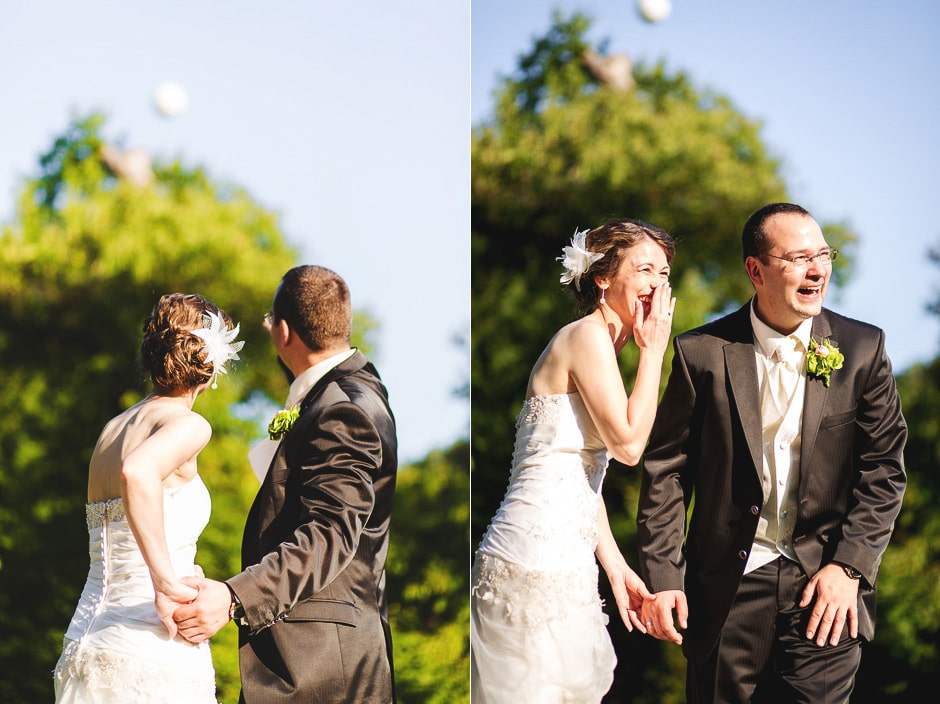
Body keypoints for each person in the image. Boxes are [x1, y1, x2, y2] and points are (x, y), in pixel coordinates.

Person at [637, 202, 907, 703]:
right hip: (725, 590)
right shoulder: (701, 353)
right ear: (755, 271)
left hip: (825, 586)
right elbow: (667, 473)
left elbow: (884, 471)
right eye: (800, 257)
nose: (817, 269)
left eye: (823, 255)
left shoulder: (863, 348)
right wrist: (664, 578)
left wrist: (849, 567)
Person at [470, 219, 677, 703]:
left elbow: (582, 478)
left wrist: (616, 565)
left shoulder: (604, 344)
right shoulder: (587, 337)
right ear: (603, 277)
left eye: (665, 274)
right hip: (532, 556)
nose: (657, 284)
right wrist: (655, 355)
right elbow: (628, 447)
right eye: (645, 269)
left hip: (569, 555)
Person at [173, 265, 399, 704]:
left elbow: (332, 532)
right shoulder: (352, 394)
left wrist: (234, 597)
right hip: (315, 662)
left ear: (282, 332)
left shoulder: (343, 408)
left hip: (324, 673)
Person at [53, 293, 244, 703]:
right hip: (151, 643)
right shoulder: (188, 424)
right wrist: (165, 581)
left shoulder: (112, 429)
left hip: (86, 637)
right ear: (210, 366)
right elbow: (137, 473)